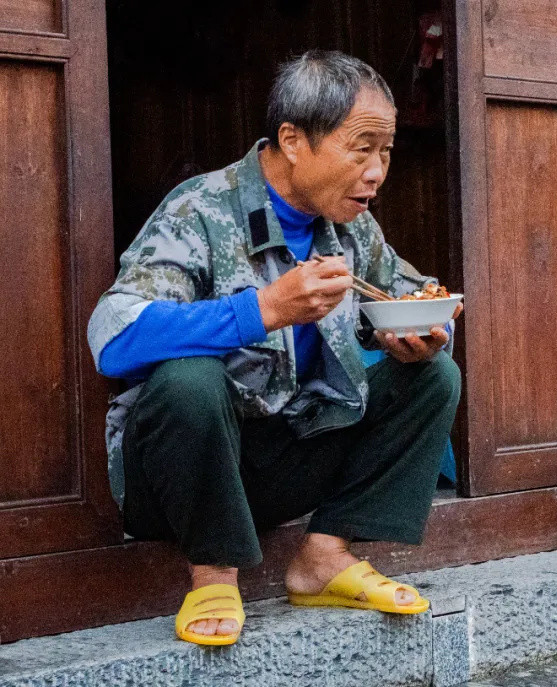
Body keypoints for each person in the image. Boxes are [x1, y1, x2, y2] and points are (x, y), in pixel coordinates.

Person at [87, 50, 461, 646]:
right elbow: (113, 336)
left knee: (435, 376)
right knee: (188, 379)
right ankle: (213, 576)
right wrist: (261, 311)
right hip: (180, 479)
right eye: (361, 148)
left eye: (385, 152)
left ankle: (323, 558)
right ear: (292, 140)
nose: (377, 171)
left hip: (281, 464)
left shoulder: (351, 227)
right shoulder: (201, 209)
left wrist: (419, 330)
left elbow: (408, 290)